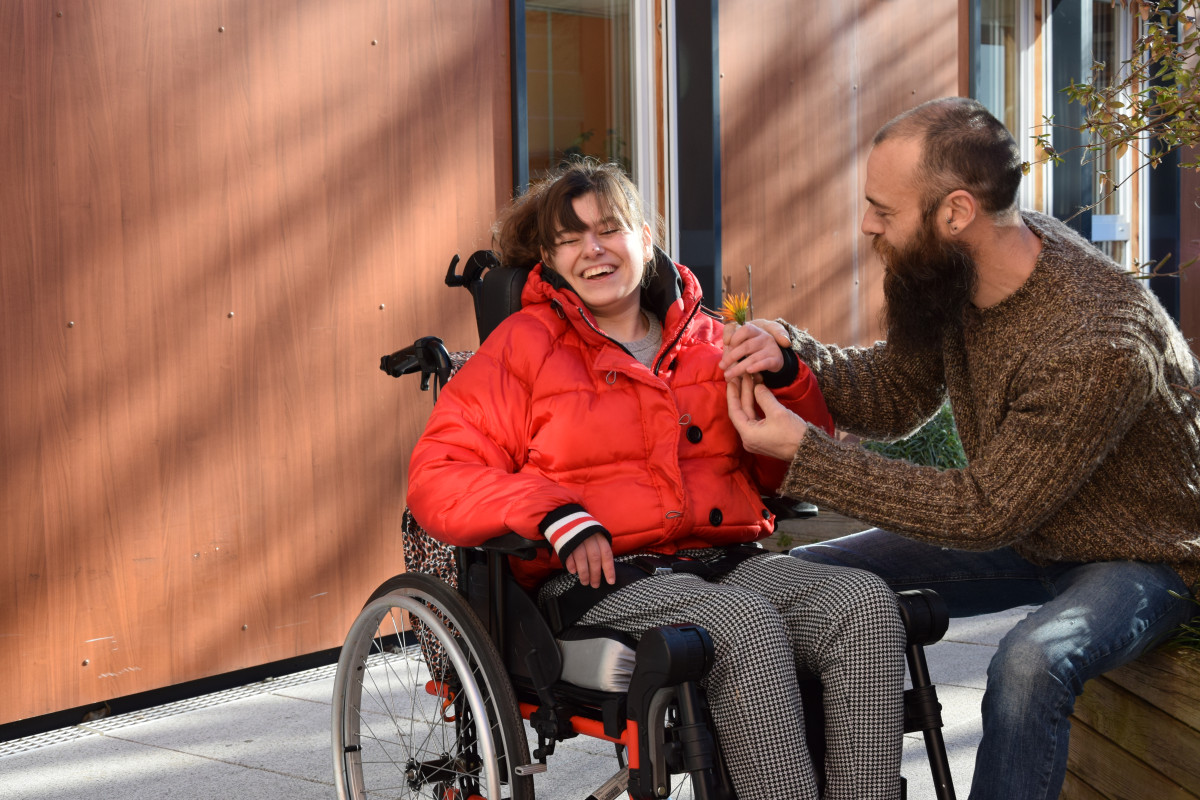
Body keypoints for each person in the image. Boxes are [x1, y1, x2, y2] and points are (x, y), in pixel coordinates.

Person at [722, 96, 1200, 800]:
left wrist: (808, 457)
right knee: (806, 582)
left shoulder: (1098, 337)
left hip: (1142, 556)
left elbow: (985, 513)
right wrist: (795, 361)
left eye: (883, 210)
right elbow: (895, 394)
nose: (866, 225)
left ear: (954, 213)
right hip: (1032, 529)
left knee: (1028, 665)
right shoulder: (948, 268)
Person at [408, 159, 908, 800]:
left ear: (646, 238)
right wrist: (551, 512)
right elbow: (438, 474)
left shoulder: (710, 341)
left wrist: (788, 383)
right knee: (742, 625)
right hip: (603, 578)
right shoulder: (522, 346)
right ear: (551, 260)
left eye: (609, 228)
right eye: (570, 238)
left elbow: (779, 471)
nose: (593, 249)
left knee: (863, 604)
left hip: (726, 560)